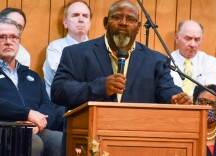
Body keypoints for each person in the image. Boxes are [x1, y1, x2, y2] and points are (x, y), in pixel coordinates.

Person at [51, 1, 192, 155]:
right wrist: (100, 87)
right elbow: (58, 91)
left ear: (138, 27)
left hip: (137, 145)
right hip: (88, 142)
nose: (123, 23)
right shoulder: (76, 53)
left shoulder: (155, 61)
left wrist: (176, 98)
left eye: (130, 19)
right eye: (117, 17)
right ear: (105, 22)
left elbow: (168, 91)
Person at [0, 17, 62, 156]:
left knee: (60, 140)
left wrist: (37, 122)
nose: (8, 41)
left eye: (13, 37)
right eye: (2, 37)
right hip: (4, 128)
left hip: (34, 129)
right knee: (32, 143)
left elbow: (48, 106)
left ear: (19, 41)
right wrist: (27, 114)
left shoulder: (32, 76)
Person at [43, 0, 92, 132]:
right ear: (65, 23)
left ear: (89, 23)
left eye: (85, 16)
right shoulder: (55, 48)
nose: (81, 19)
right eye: (75, 15)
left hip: (90, 105)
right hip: (61, 107)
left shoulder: (97, 50)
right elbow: (65, 82)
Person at [170, 20, 216, 97]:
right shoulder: (166, 62)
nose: (193, 44)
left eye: (197, 40)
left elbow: (213, 95)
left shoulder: (211, 62)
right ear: (177, 38)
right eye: (188, 38)